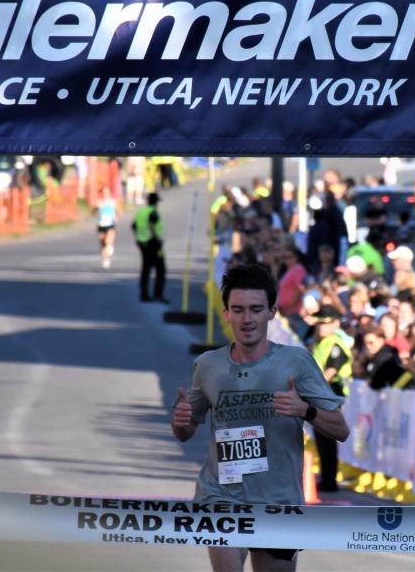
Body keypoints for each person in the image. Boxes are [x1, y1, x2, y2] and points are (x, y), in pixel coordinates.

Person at [171, 263, 349, 572]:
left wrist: (304, 410)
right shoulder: (208, 365)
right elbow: (185, 431)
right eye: (237, 310)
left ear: (272, 312)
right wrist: (180, 420)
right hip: (221, 496)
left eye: (255, 309)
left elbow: (341, 429)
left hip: (279, 501)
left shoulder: (296, 362)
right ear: (225, 312)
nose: (247, 319)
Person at [309, 305, 352, 493]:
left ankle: (330, 481)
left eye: (325, 323)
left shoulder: (335, 344)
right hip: (321, 394)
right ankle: (326, 478)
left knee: (327, 439)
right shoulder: (322, 343)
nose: (321, 327)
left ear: (336, 323)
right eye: (319, 323)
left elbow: (330, 372)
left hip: (329, 393)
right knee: (321, 438)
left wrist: (310, 388)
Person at [132, 192, 167, 303]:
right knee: (160, 268)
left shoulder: (141, 212)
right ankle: (158, 294)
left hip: (142, 244)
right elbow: (152, 225)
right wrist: (157, 238)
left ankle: (144, 294)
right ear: (156, 202)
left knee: (146, 269)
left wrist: (138, 238)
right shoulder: (153, 212)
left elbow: (133, 226)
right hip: (153, 243)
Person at [95, 186, 118, 268]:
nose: (105, 194)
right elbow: (94, 213)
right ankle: (105, 259)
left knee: (108, 241)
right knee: (103, 244)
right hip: (101, 224)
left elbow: (118, 211)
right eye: (104, 192)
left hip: (110, 224)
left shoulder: (112, 202)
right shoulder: (99, 202)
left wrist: (116, 217)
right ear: (102, 193)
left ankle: (110, 248)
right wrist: (96, 209)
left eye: (107, 192)